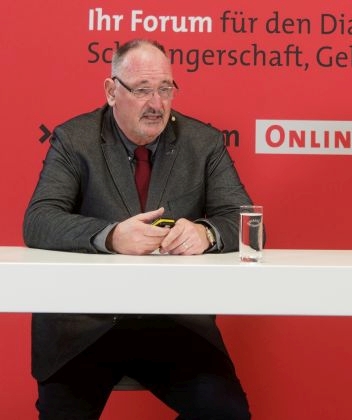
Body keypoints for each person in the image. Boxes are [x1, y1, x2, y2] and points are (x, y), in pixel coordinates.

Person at [23, 39, 254, 419]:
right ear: (112, 91)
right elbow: (40, 219)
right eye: (143, 90)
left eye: (165, 89)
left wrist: (207, 233)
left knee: (227, 414)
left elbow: (245, 220)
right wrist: (111, 236)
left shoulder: (203, 143)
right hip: (84, 325)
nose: (157, 104)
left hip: (172, 322)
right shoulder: (74, 139)